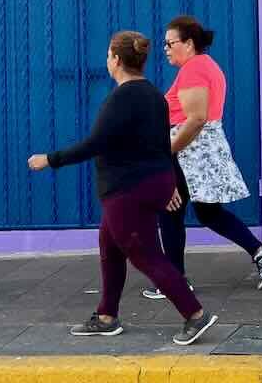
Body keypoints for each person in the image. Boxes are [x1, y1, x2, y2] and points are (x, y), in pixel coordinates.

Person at [28, 30, 217, 346]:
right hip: (150, 182)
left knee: (146, 255)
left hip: (128, 189)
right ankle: (106, 316)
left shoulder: (121, 99)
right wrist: (168, 183)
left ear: (116, 59)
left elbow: (96, 144)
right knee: (110, 246)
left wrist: (50, 159)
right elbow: (163, 145)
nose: (106, 60)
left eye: (107, 55)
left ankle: (195, 314)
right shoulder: (154, 95)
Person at [144, 14, 262, 299]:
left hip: (187, 151)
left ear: (189, 43)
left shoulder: (195, 69)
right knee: (206, 211)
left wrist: (166, 151)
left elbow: (196, 119)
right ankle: (259, 250)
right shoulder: (204, 66)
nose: (165, 48)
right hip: (196, 150)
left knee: (170, 210)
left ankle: (174, 280)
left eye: (170, 43)